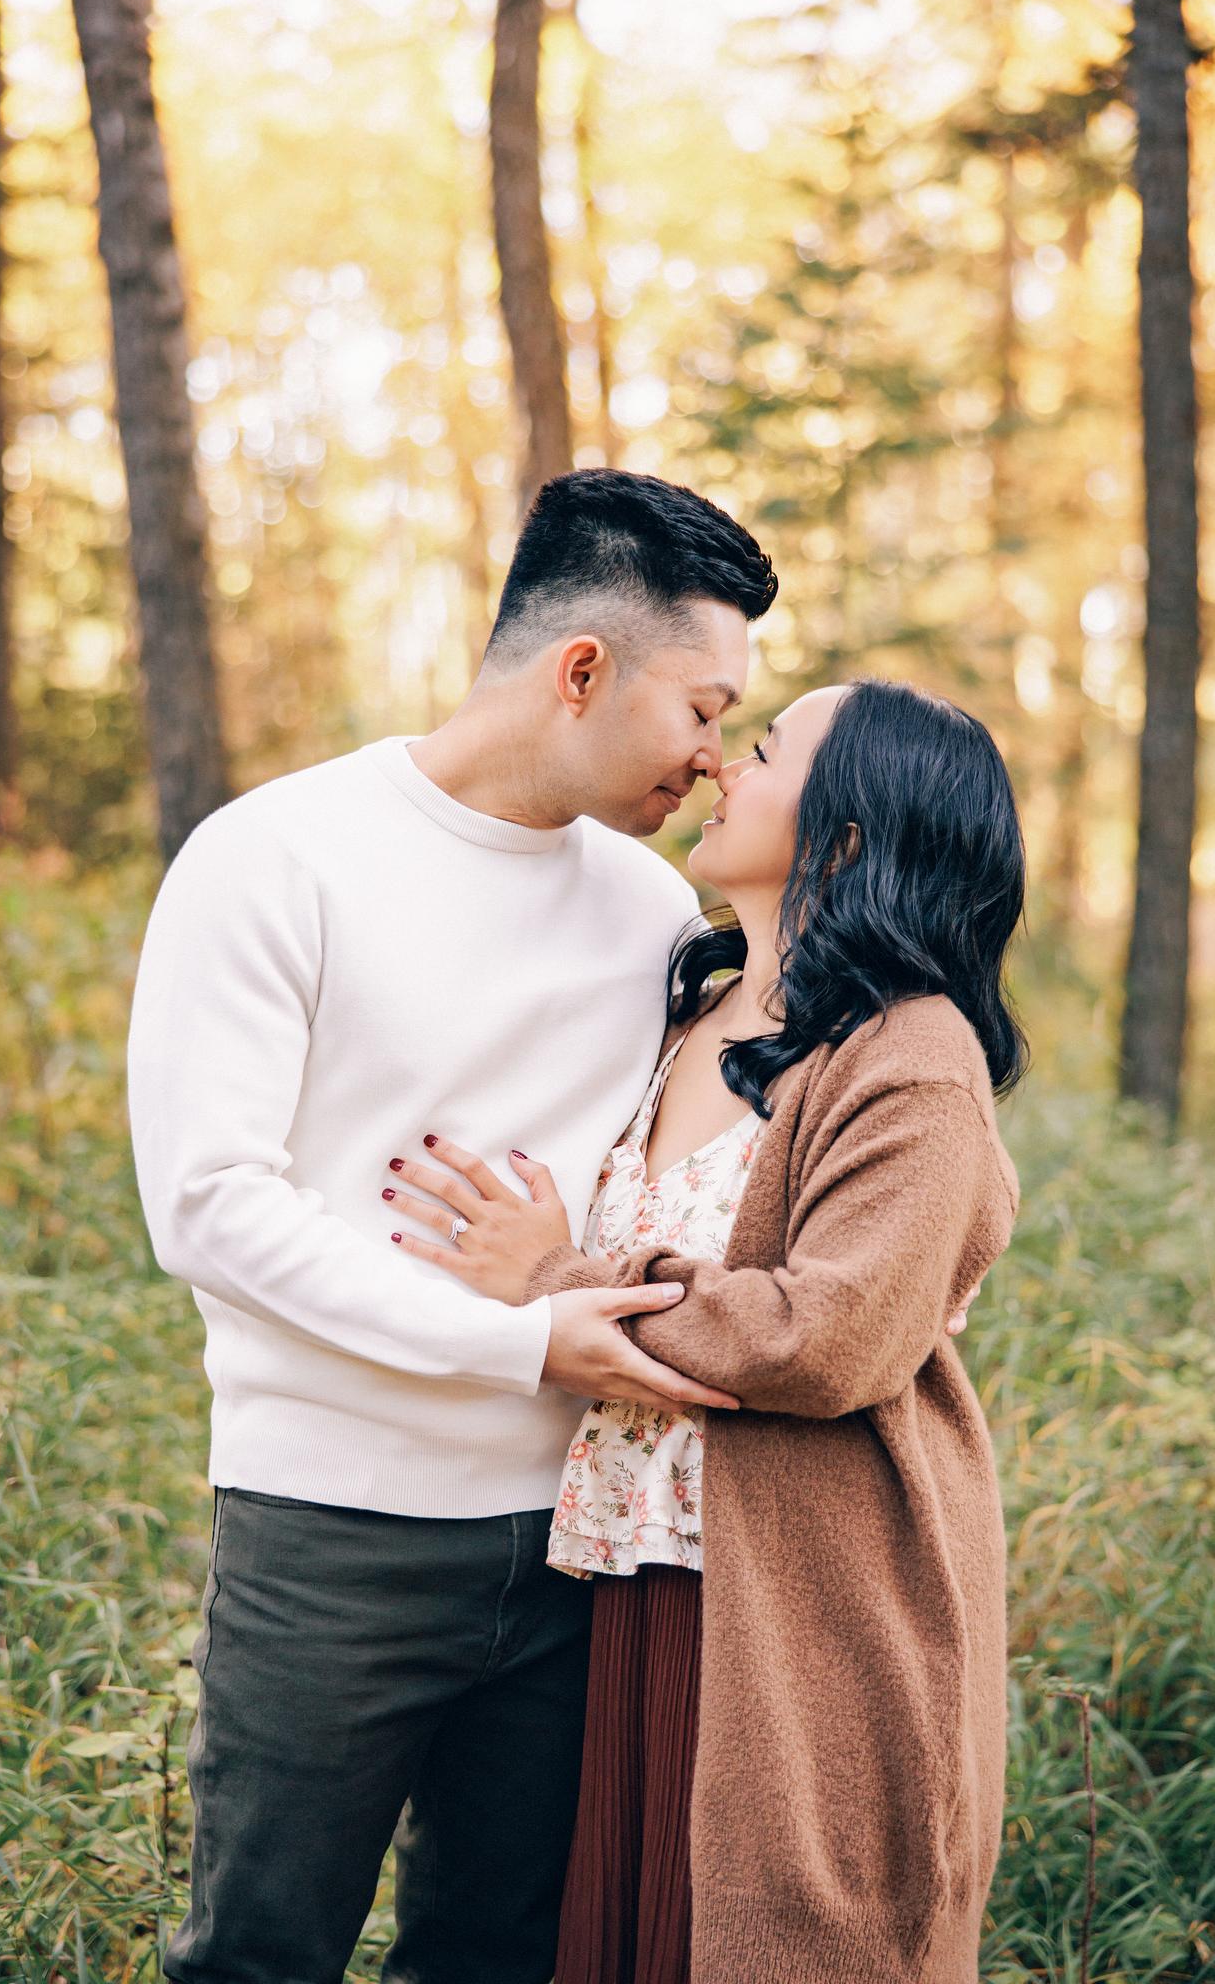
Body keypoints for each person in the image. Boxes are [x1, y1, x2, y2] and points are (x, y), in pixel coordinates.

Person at [125, 469, 781, 1984]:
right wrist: (514, 1340)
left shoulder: (654, 918)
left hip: (579, 1544)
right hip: (328, 1534)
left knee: (497, 1957)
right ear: (579, 670)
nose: (708, 756)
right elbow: (211, 1210)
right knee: (256, 1954)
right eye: (701, 706)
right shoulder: (272, 857)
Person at [382, 676, 1026, 1984]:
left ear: (848, 828)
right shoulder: (688, 1015)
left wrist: (558, 1271)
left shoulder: (908, 1049)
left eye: (771, 749)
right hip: (627, 1588)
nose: (726, 763)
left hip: (791, 1610)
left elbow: (832, 1334)